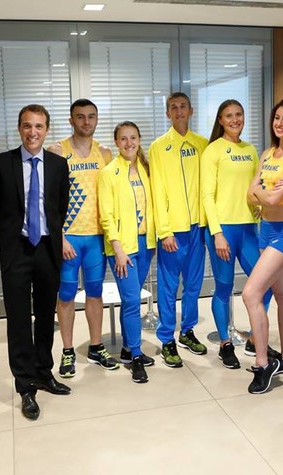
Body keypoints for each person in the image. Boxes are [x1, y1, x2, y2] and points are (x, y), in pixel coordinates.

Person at [0, 104, 71, 421]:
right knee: (19, 320)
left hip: (47, 249)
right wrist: (9, 241)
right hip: (17, 250)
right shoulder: (1, 163)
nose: (32, 132)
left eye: (38, 126)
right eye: (27, 126)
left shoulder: (58, 165)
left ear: (47, 129)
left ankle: (44, 373)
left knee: (46, 316)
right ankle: (25, 386)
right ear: (19, 128)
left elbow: (59, 207)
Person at [47, 99, 120, 378]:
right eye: (80, 117)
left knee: (95, 293)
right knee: (66, 295)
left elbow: (112, 195)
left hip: (96, 237)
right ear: (71, 120)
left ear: (97, 119)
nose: (86, 122)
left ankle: (96, 347)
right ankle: (67, 351)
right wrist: (60, 237)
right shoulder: (56, 151)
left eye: (91, 116)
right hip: (69, 238)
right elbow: (48, 200)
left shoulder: (105, 152)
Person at [242, 98, 283, 394]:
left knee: (251, 293)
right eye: (277, 118)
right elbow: (250, 194)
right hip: (266, 229)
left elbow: (271, 198)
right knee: (282, 294)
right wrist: (262, 191)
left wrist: (261, 190)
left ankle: (262, 363)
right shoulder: (268, 153)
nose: (279, 123)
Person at [201, 99, 272, 370]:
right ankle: (225, 343)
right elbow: (207, 195)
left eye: (238, 114)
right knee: (224, 287)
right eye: (228, 116)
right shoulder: (213, 151)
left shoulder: (250, 150)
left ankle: (255, 337)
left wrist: (260, 207)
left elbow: (255, 187)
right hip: (223, 230)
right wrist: (217, 233)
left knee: (265, 285)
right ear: (220, 120)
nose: (234, 120)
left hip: (249, 229)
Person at [148, 92, 209, 368]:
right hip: (173, 229)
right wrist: (164, 231)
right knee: (169, 286)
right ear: (167, 113)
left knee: (194, 284)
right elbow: (157, 191)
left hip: (198, 227)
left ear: (191, 110)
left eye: (183, 106)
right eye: (173, 107)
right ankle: (166, 338)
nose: (179, 111)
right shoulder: (158, 147)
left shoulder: (203, 144)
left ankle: (187, 331)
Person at [98, 121, 156, 383]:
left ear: (139, 140)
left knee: (130, 298)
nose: (129, 143)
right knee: (132, 301)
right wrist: (118, 249)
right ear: (116, 142)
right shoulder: (109, 173)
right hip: (122, 247)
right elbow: (107, 216)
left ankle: (126, 350)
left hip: (145, 244)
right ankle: (136, 356)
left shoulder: (145, 169)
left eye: (133, 137)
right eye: (123, 138)